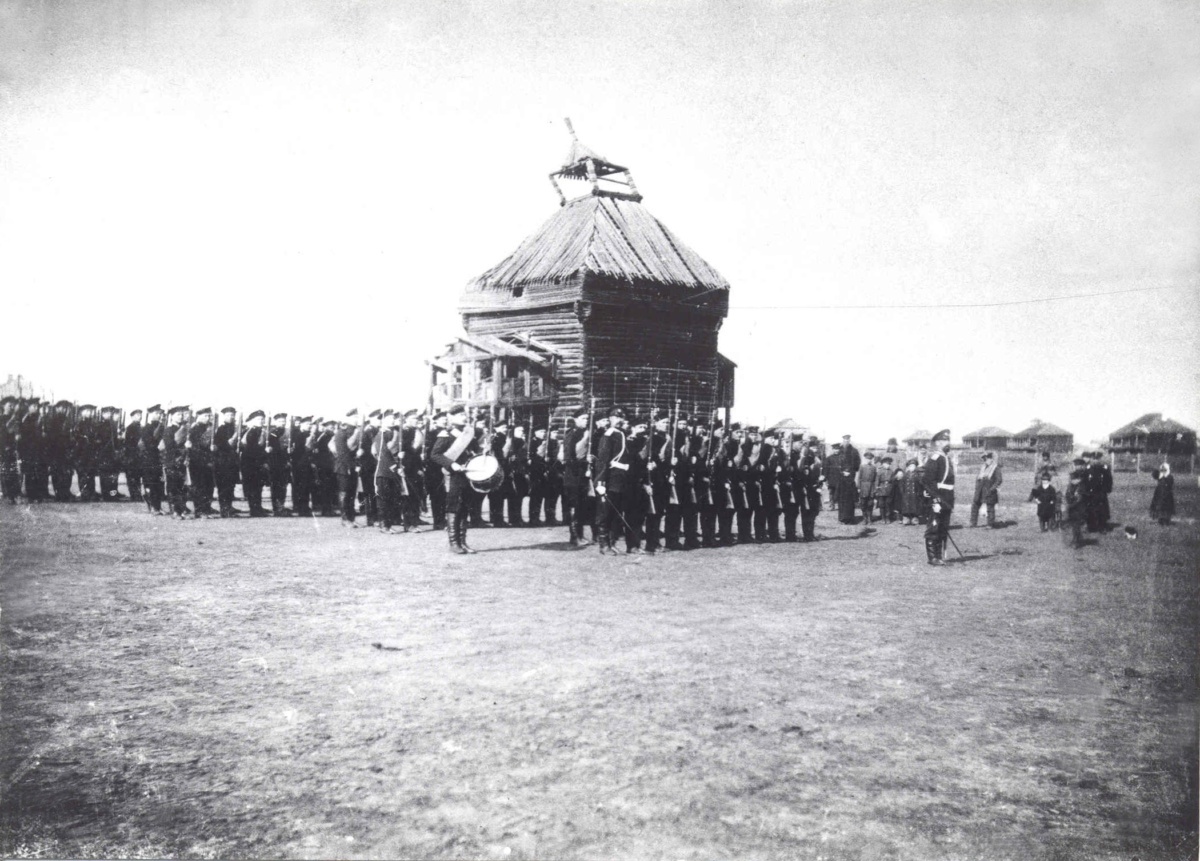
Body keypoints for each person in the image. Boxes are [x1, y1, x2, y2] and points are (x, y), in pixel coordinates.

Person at [431, 405, 480, 554]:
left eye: (464, 415)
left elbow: (473, 452)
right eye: (459, 415)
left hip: (468, 474)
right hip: (455, 475)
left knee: (465, 507)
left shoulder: (469, 433)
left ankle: (463, 542)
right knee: (455, 506)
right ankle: (454, 543)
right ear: (452, 418)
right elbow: (435, 455)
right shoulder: (446, 435)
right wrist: (452, 464)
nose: (463, 417)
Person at [594, 407, 634, 555]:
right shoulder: (609, 435)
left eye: (621, 417)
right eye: (616, 417)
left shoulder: (622, 434)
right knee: (605, 513)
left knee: (615, 513)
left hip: (620, 478)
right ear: (610, 419)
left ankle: (611, 542)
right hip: (610, 478)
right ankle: (604, 545)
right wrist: (600, 482)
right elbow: (603, 460)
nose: (619, 420)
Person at [921, 429, 955, 565]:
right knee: (934, 528)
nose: (948, 443)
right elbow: (927, 481)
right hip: (938, 499)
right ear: (938, 442)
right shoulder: (935, 458)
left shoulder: (946, 458)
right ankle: (932, 558)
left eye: (948, 440)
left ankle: (939, 557)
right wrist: (935, 499)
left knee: (942, 528)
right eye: (945, 440)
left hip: (947, 498)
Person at [562, 407, 593, 547]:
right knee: (574, 505)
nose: (586, 421)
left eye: (587, 418)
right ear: (575, 420)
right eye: (583, 418)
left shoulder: (584, 433)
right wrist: (583, 461)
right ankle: (574, 537)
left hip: (581, 476)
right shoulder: (572, 434)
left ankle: (580, 534)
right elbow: (569, 457)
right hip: (573, 475)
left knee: (581, 506)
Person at [332, 410, 362, 526]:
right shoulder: (342, 433)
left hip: (353, 468)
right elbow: (343, 453)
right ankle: (345, 519)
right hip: (343, 468)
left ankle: (351, 518)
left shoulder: (356, 431)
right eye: (354, 417)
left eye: (357, 417)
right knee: (344, 493)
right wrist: (353, 465)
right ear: (347, 419)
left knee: (351, 494)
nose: (356, 419)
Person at [161, 405, 191, 519]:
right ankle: (175, 511)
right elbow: (169, 447)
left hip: (183, 462)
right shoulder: (169, 430)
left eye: (182, 414)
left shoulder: (186, 429)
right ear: (172, 417)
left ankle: (182, 510)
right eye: (178, 414)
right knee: (173, 487)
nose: (181, 417)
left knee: (183, 487)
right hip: (172, 462)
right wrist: (184, 446)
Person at [240, 410, 269, 518]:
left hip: (257, 462)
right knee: (253, 486)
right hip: (251, 463)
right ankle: (254, 509)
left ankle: (257, 507)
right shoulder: (252, 432)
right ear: (252, 421)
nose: (261, 421)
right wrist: (264, 451)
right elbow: (251, 449)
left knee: (258, 486)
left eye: (262, 419)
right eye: (258, 419)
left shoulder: (261, 431)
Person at [188, 407, 216, 517]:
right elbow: (194, 446)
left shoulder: (210, 428)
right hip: (197, 461)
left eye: (209, 416)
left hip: (208, 461)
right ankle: (199, 510)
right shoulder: (194, 429)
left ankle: (207, 509)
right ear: (198, 416)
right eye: (205, 416)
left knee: (209, 486)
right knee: (199, 486)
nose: (208, 418)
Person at [213, 408, 241, 517]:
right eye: (228, 415)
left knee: (231, 485)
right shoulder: (220, 429)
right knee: (223, 486)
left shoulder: (236, 428)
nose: (231, 417)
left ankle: (229, 506)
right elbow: (218, 445)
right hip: (222, 461)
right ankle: (224, 509)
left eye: (232, 415)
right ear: (224, 416)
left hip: (233, 461)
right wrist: (228, 443)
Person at [796, 436, 824, 542]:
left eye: (816, 448)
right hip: (807, 489)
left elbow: (820, 473)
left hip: (815, 488)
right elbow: (802, 473)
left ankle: (811, 533)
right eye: (813, 448)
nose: (815, 450)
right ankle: (806, 534)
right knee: (806, 512)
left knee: (813, 512)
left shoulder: (818, 460)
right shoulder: (805, 460)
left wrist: (821, 479)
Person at [139, 404, 165, 514]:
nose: (158, 416)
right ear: (150, 414)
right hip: (150, 458)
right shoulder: (147, 428)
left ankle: (158, 506)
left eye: (160, 414)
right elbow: (149, 444)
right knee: (152, 483)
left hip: (160, 458)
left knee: (160, 484)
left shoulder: (162, 426)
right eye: (156, 413)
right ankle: (153, 506)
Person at [267, 412, 292, 517]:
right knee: (276, 486)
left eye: (284, 421)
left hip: (284, 463)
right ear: (276, 422)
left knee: (283, 486)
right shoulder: (273, 433)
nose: (282, 423)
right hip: (275, 463)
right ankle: (277, 508)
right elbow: (274, 449)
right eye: (280, 421)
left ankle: (281, 505)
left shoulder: (288, 432)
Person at [969, 451, 1003, 527]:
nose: (984, 460)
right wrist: (977, 487)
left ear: (991, 458)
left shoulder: (996, 468)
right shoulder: (983, 467)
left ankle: (990, 524)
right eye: (984, 459)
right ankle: (973, 523)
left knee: (990, 507)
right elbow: (978, 478)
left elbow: (999, 480)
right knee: (975, 505)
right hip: (980, 490)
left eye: (986, 458)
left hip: (990, 490)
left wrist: (992, 489)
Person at [289, 416, 314, 517]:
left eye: (310, 424)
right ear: (302, 425)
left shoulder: (308, 434)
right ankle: (301, 508)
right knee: (301, 486)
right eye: (307, 424)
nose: (309, 426)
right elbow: (299, 450)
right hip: (299, 464)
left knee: (306, 486)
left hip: (306, 464)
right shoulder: (298, 435)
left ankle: (305, 506)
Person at [97, 406, 122, 501]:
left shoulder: (113, 425)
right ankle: (107, 495)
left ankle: (113, 494)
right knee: (106, 476)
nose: (110, 414)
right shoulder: (102, 425)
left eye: (111, 413)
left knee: (113, 477)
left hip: (112, 454)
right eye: (107, 413)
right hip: (105, 454)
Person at [838, 434, 861, 524]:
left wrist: (851, 471)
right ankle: (842, 517)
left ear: (849, 440)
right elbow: (836, 462)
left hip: (850, 477)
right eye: (845, 439)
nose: (846, 441)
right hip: (841, 477)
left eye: (848, 440)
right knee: (842, 497)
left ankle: (850, 518)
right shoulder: (839, 450)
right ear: (842, 440)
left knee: (850, 497)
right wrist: (841, 471)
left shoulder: (854, 451)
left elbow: (857, 463)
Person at [0, 397, 20, 503]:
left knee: (12, 472)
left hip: (12, 448)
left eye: (12, 405)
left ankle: (13, 494)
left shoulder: (13, 418)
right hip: (4, 448)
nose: (11, 407)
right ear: (3, 406)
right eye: (9, 405)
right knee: (5, 472)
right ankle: (8, 494)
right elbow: (4, 432)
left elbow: (15, 433)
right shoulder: (2, 418)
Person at [122, 407, 143, 503]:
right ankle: (134, 495)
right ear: (132, 417)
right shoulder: (130, 428)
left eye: (140, 415)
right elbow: (129, 443)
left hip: (138, 455)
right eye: (137, 415)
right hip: (132, 455)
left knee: (137, 476)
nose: (140, 417)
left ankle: (137, 494)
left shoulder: (140, 427)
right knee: (132, 476)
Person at [856, 450, 877, 525]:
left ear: (872, 460)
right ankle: (864, 518)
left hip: (871, 487)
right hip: (863, 486)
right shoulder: (862, 467)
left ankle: (870, 518)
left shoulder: (874, 467)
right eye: (867, 459)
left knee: (870, 503)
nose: (869, 460)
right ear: (865, 459)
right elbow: (859, 478)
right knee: (863, 503)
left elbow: (875, 479)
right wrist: (858, 487)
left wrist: (875, 488)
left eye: (870, 459)